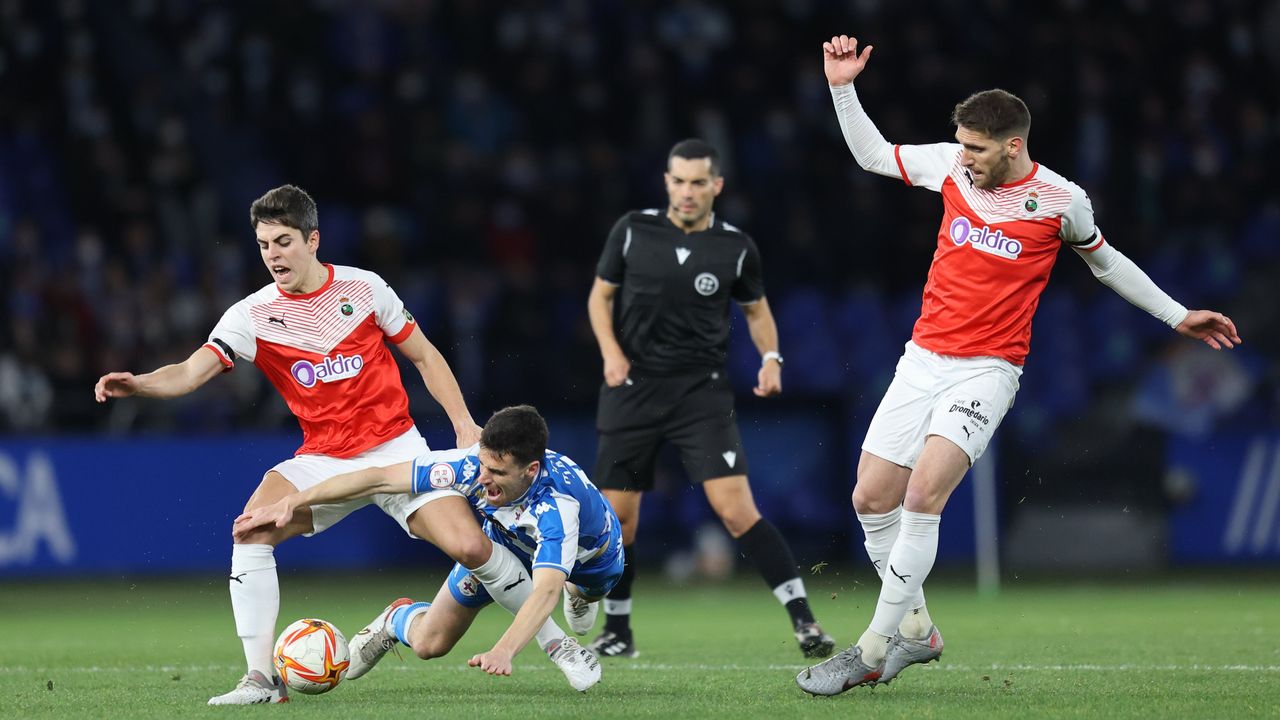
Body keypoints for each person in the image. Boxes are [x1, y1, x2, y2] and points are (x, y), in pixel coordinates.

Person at [797, 36, 1243, 696]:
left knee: (923, 496)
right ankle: (917, 631)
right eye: (962, 145)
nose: (966, 157)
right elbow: (871, 154)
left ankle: (868, 649)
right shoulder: (947, 166)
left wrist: (1176, 315)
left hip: (987, 370)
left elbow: (1107, 262)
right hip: (922, 358)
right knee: (870, 498)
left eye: (977, 148)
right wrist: (841, 87)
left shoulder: (1061, 201)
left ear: (1012, 146)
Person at [93, 185, 564, 704]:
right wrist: (140, 383)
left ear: (313, 240)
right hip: (322, 459)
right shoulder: (251, 315)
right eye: (264, 244)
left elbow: (426, 357)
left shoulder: (365, 290)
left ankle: (557, 643)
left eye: (284, 241)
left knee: (473, 547)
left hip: (397, 450)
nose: (273, 254)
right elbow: (188, 372)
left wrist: (463, 425)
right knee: (251, 532)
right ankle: (259, 682)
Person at [585, 138, 834, 660]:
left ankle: (806, 623)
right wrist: (610, 352)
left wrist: (772, 359)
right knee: (619, 517)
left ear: (716, 185)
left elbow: (757, 311)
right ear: (667, 182)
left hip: (700, 393)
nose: (688, 191)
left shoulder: (735, 246)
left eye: (699, 182)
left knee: (736, 510)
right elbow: (600, 296)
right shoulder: (633, 230)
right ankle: (619, 631)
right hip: (631, 390)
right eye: (679, 180)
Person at [232, 405, 621, 692]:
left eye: (497, 473)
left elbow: (546, 591)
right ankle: (395, 619)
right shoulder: (469, 466)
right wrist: (297, 500)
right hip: (505, 546)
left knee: (575, 589)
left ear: (531, 471)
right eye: (483, 465)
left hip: (594, 561)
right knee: (428, 645)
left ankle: (572, 619)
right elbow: (378, 478)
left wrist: (504, 650)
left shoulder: (557, 510)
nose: (482, 479)